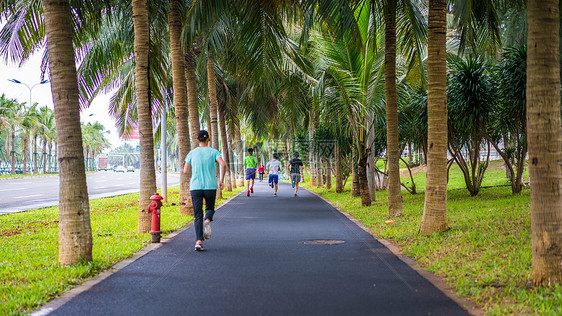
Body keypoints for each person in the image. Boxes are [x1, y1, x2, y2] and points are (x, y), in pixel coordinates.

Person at [183, 130, 226, 251]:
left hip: (195, 186)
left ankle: (199, 241)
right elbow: (223, 165)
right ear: (208, 139)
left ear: (197, 140)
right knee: (210, 208)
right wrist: (222, 180)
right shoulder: (214, 152)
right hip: (210, 185)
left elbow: (185, 171)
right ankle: (207, 220)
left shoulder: (192, 153)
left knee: (197, 215)